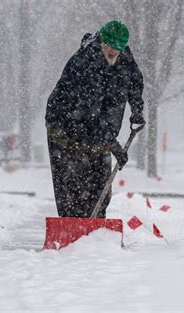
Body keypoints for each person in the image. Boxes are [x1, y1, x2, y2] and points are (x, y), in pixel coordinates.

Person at [45, 20, 145, 218]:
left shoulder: (123, 54)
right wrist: (112, 144)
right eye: (110, 49)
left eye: (118, 50)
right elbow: (90, 112)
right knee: (72, 185)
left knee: (99, 183)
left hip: (98, 130)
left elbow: (134, 80)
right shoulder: (84, 63)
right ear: (101, 42)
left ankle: (96, 229)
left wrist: (137, 109)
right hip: (65, 128)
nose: (114, 54)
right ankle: (71, 228)